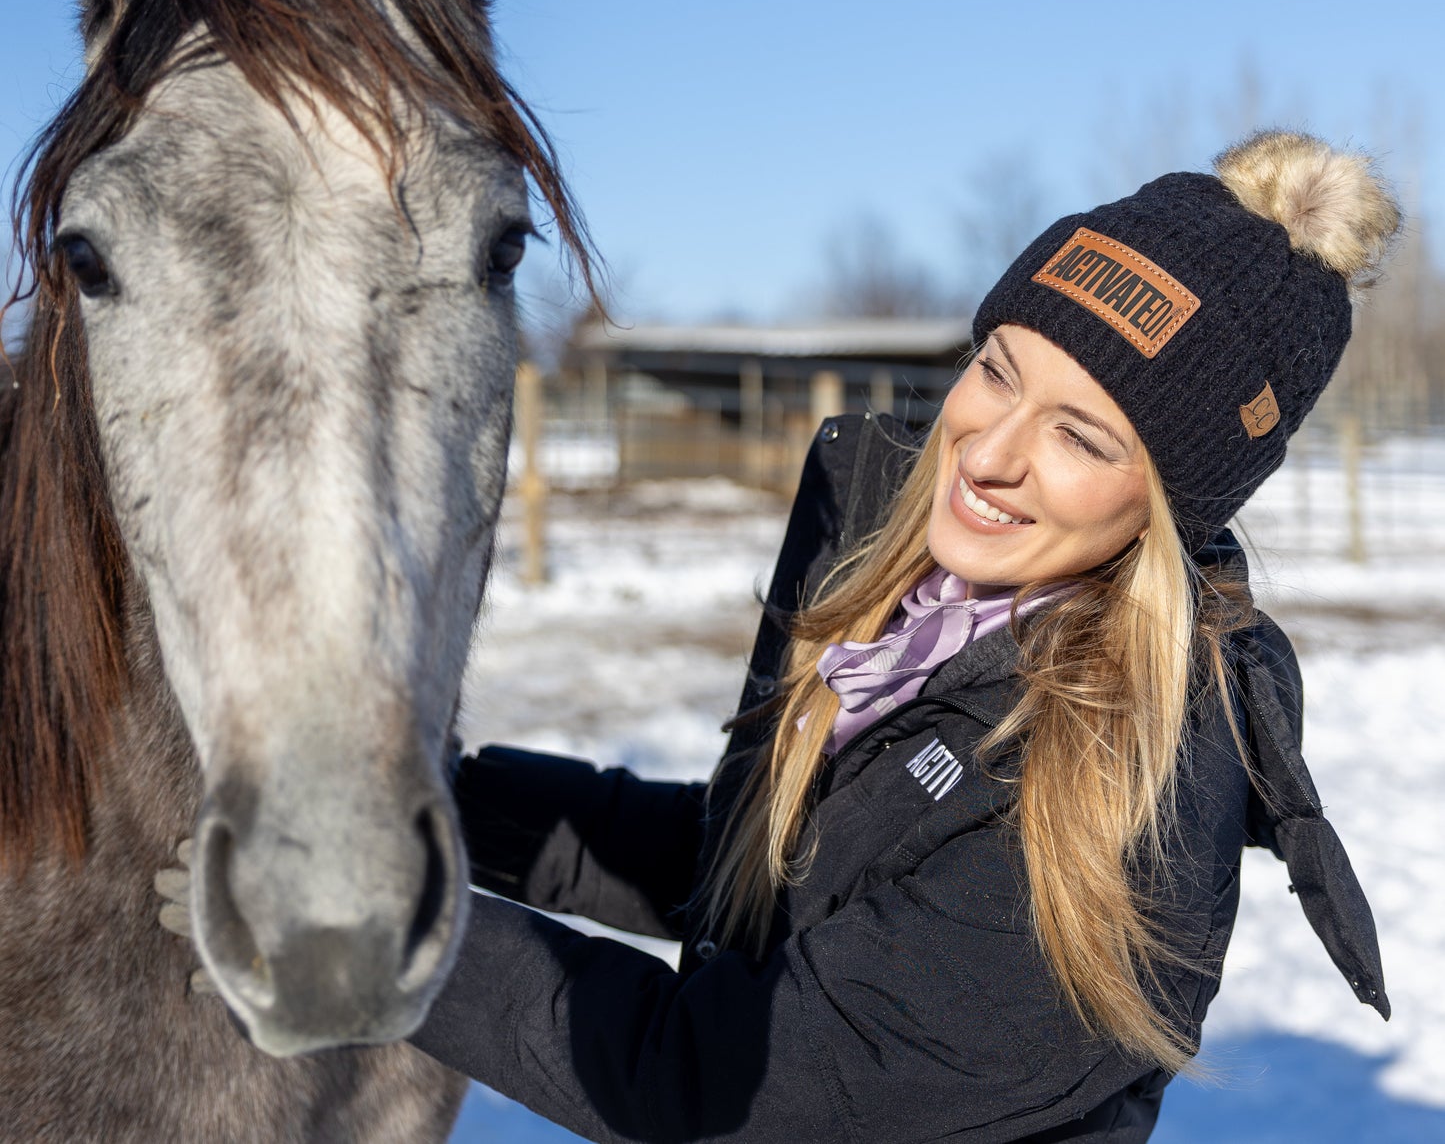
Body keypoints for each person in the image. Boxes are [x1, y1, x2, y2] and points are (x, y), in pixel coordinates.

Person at [169, 131, 1398, 1140]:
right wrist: (446, 803)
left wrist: (374, 919)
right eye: (997, 369)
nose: (990, 449)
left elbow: (712, 1086)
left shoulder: (1119, 803)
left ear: (1167, 505)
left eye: (1082, 436)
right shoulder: (932, 618)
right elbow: (766, 874)